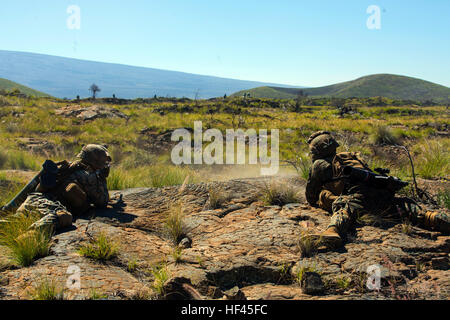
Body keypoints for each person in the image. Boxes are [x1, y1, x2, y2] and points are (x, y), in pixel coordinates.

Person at [303, 131, 449, 248]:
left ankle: (333, 230)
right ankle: (435, 218)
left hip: (358, 199)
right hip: (381, 196)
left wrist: (324, 196)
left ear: (317, 151)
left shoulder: (320, 164)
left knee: (343, 206)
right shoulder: (351, 157)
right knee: (409, 208)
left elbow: (311, 195)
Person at [8, 144, 111, 238]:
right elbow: (102, 201)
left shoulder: (70, 167)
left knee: (14, 221)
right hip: (47, 205)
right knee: (64, 217)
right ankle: (26, 238)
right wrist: (102, 178)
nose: (105, 166)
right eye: (103, 163)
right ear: (95, 162)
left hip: (32, 200)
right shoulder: (88, 176)